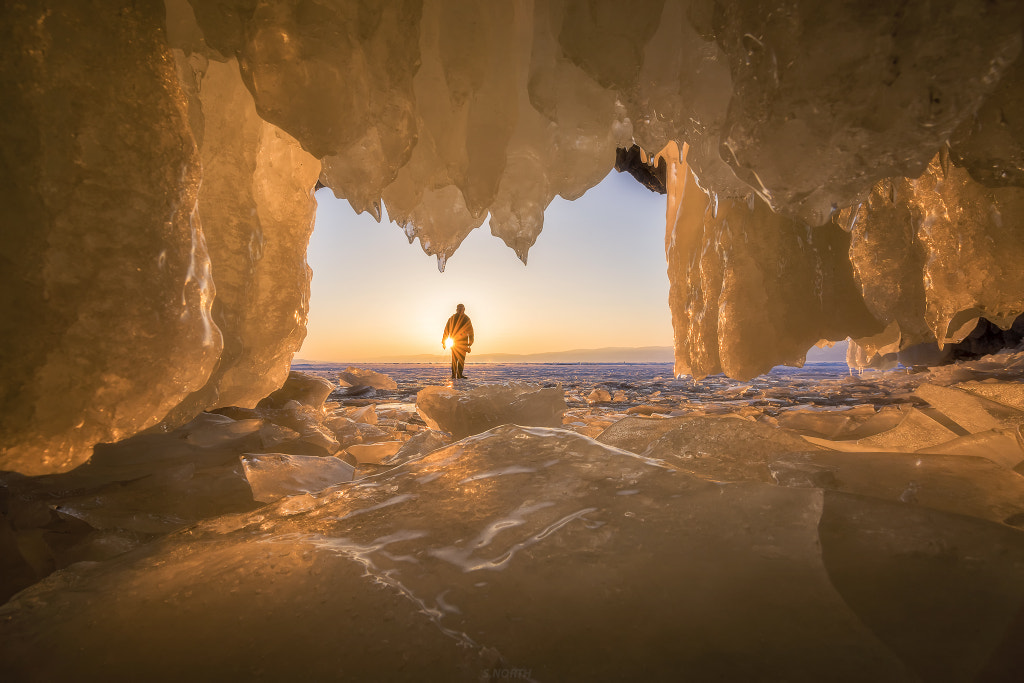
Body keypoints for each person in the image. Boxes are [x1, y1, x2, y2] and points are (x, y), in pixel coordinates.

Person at [442, 303, 474, 379]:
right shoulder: (452, 318)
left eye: (461, 309)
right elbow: (446, 330)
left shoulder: (467, 319)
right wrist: (444, 341)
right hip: (455, 342)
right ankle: (453, 375)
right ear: (456, 310)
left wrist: (471, 341)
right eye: (459, 309)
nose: (460, 310)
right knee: (454, 359)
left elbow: (471, 331)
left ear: (464, 310)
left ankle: (459, 375)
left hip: (464, 343)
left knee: (461, 360)